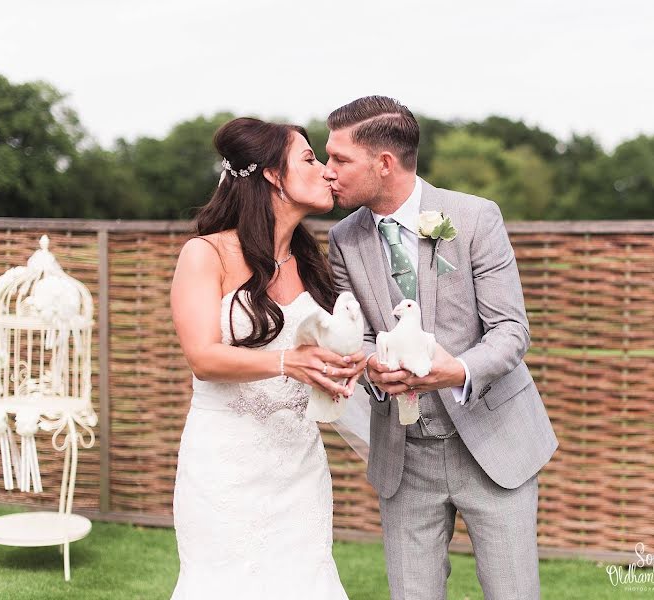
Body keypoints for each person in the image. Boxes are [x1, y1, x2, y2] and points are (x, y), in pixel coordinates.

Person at [324, 96, 558, 600]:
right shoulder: (343, 238)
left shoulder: (474, 218)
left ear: (383, 163)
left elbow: (511, 332)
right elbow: (358, 337)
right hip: (405, 457)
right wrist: (372, 369)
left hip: (494, 445)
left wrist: (456, 371)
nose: (328, 172)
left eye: (339, 159)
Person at [169, 117, 364, 599]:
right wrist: (288, 364)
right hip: (224, 464)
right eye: (310, 158)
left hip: (298, 465)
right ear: (274, 176)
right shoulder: (205, 254)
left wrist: (343, 365)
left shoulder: (314, 263)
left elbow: (326, 345)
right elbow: (202, 357)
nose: (324, 170)